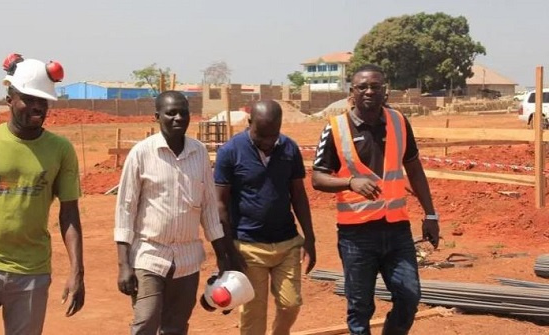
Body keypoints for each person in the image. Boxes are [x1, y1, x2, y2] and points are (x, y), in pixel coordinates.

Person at [0, 54, 85, 335]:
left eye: (42, 101)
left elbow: (69, 214)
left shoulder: (60, 150)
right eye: (28, 98)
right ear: (10, 98)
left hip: (31, 270)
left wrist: (77, 272)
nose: (37, 107)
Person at [311, 64, 439, 335]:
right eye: (363, 87)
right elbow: (318, 178)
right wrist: (349, 182)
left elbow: (414, 168)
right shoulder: (335, 128)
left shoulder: (399, 122)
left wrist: (430, 214)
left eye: (376, 86)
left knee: (409, 297)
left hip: (397, 230)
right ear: (352, 92)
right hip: (356, 235)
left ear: (385, 91)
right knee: (360, 307)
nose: (370, 91)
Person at [115, 91, 233, 335]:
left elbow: (210, 207)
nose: (178, 118)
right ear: (157, 116)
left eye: (184, 112)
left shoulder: (199, 153)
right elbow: (125, 210)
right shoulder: (141, 154)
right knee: (145, 322)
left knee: (176, 328)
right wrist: (124, 265)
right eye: (171, 113)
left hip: (188, 259)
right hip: (149, 255)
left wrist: (222, 255)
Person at [214, 100, 316, 335]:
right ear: (249, 123)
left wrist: (309, 238)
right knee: (253, 314)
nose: (269, 143)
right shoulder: (230, 151)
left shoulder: (289, 148)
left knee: (291, 304)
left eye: (274, 135)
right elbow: (220, 204)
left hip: (287, 243)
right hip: (248, 247)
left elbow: (298, 195)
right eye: (262, 137)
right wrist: (228, 250)